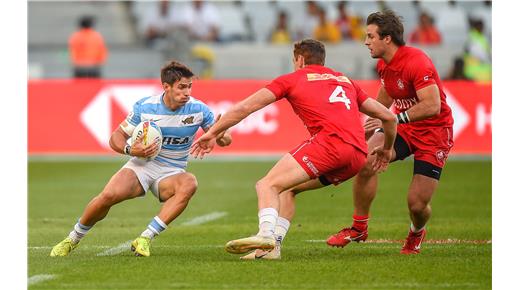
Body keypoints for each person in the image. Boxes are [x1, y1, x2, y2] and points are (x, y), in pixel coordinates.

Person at [191, 39, 397, 259]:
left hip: (330, 145)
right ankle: (271, 250)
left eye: (293, 60)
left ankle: (265, 235)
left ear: (299, 59)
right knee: (287, 189)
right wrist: (386, 149)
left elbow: (246, 107)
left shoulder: (294, 79)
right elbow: (388, 117)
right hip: (357, 155)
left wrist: (212, 132)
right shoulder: (345, 80)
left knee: (266, 184)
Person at [50, 60, 232, 257]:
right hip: (142, 165)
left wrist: (219, 134)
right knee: (107, 197)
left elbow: (226, 140)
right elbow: (115, 138)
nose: (187, 92)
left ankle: (145, 238)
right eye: (181, 87)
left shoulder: (199, 110)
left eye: (189, 87)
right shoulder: (145, 107)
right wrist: (131, 150)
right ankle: (72, 239)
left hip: (172, 172)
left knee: (190, 183)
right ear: (166, 87)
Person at [326, 10, 454, 254]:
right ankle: (359, 228)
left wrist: (395, 118)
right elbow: (382, 103)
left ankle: (416, 233)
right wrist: (360, 130)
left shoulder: (417, 61)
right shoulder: (385, 64)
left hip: (434, 134)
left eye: (370, 36)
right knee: (365, 162)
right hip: (405, 128)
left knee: (417, 205)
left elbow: (432, 105)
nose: (366, 42)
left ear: (387, 39)